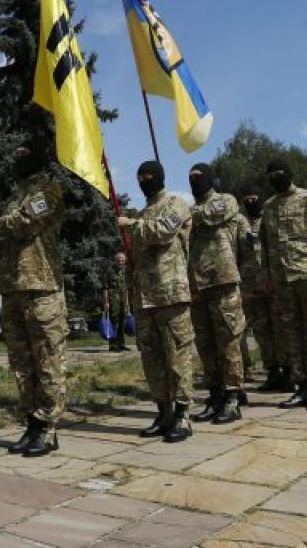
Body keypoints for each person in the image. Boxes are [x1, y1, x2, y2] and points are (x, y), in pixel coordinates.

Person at [0, 134, 67, 457]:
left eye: (25, 152)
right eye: (17, 152)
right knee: (22, 364)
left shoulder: (48, 190)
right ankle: (31, 425)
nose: (18, 157)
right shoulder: (15, 194)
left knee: (48, 360)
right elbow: (7, 233)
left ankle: (49, 428)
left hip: (42, 288)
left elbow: (22, 224)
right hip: (13, 288)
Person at [117, 160, 195, 441]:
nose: (144, 180)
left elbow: (164, 231)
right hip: (144, 299)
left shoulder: (176, 203)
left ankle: (183, 415)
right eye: (140, 177)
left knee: (177, 358)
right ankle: (164, 412)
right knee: (152, 360)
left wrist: (133, 224)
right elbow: (136, 261)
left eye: (149, 175)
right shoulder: (143, 213)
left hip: (171, 294)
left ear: (160, 177)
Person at [260, 160, 307, 411]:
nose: (275, 178)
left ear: (289, 174)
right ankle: (302, 385)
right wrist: (267, 275)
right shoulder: (269, 206)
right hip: (282, 281)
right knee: (290, 335)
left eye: (279, 174)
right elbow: (265, 244)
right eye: (271, 175)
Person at [186, 164, 251, 424]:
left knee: (228, 344)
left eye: (199, 178)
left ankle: (233, 398)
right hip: (198, 285)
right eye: (191, 179)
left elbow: (210, 215)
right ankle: (215, 396)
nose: (195, 182)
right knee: (206, 345)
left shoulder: (226, 201)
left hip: (223, 281)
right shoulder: (189, 211)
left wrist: (184, 214)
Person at [238, 186, 287, 392]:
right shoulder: (240, 223)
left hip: (274, 284)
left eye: (254, 198)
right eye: (246, 199)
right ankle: (273, 372)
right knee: (262, 332)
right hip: (251, 288)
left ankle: (290, 372)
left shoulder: (271, 219)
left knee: (282, 330)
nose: (251, 202)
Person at [101, 252, 132, 352]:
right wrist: (106, 302)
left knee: (123, 321)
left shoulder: (126, 271)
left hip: (124, 298)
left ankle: (121, 344)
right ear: (115, 261)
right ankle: (113, 345)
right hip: (113, 299)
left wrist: (127, 301)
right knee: (114, 321)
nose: (120, 262)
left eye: (122, 261)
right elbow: (105, 288)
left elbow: (127, 287)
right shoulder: (109, 272)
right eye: (118, 260)